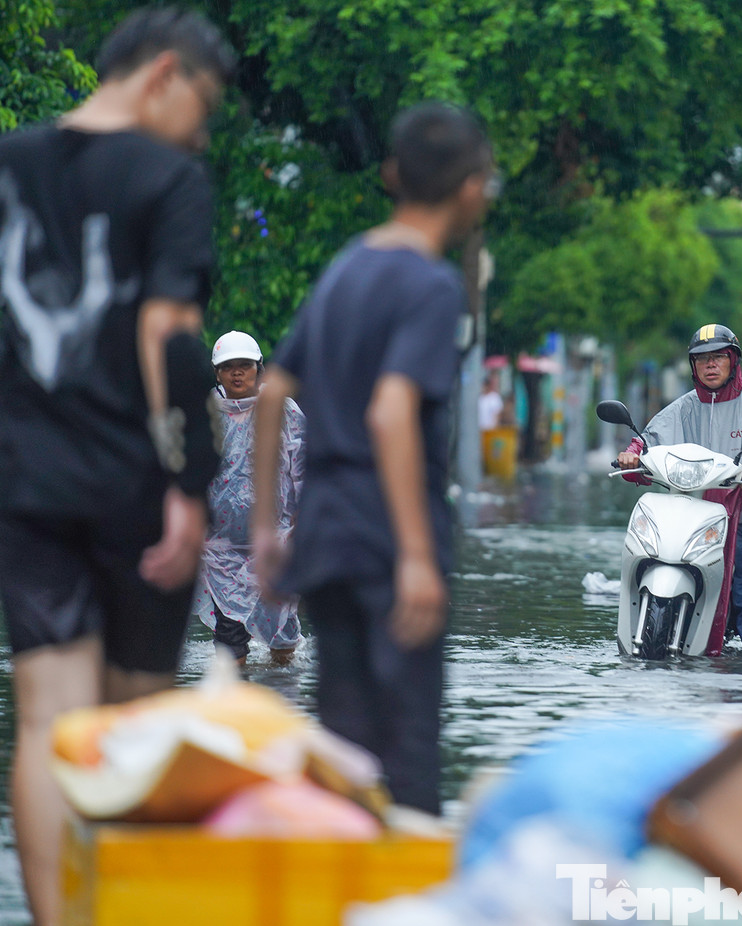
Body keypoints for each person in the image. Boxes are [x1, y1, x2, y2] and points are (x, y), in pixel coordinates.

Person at [0, 9, 233, 922]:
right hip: (131, 480)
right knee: (135, 721)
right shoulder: (168, 177)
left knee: (48, 717)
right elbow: (167, 331)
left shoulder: (8, 161)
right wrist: (185, 483)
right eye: (203, 106)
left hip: (21, 482)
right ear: (163, 75)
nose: (202, 131)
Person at [252, 102, 497, 815]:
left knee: (345, 752)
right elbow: (390, 412)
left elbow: (273, 395)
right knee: (408, 757)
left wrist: (268, 529)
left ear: (391, 175)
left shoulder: (346, 266)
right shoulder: (430, 282)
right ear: (472, 187)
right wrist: (417, 555)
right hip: (389, 538)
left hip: (325, 535)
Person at [617, 324, 742, 654]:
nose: (711, 365)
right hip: (720, 518)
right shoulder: (685, 406)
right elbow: (647, 439)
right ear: (693, 367)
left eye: (719, 357)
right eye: (702, 360)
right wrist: (631, 455)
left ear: (734, 361)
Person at [193, 330, 305, 666]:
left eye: (245, 365)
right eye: (229, 367)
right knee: (230, 641)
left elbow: (303, 468)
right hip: (221, 549)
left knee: (282, 631)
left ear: (260, 369)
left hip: (274, 541)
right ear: (217, 373)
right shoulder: (205, 413)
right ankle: (234, 703)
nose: (237, 373)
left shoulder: (282, 411)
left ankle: (280, 694)